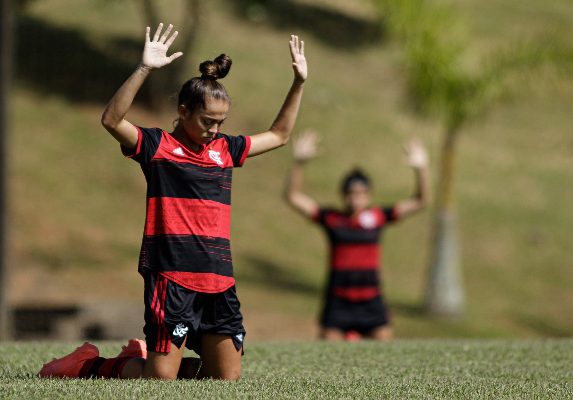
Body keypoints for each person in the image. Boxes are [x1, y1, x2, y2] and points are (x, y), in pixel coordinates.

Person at [38, 23, 307, 380]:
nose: (214, 129)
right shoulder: (157, 146)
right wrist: (144, 68)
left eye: (220, 122)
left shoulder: (226, 150)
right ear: (183, 112)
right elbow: (111, 119)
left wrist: (299, 82)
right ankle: (89, 364)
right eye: (207, 121)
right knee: (160, 380)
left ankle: (148, 356)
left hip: (218, 281)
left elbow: (280, 135)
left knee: (225, 380)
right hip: (172, 277)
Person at [284, 130, 430, 341]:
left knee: (388, 355)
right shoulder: (332, 218)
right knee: (325, 355)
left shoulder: (378, 217)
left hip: (371, 300)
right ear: (343, 195)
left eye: (361, 193)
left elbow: (421, 201)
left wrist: (422, 168)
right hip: (338, 300)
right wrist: (299, 162)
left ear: (368, 195)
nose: (356, 198)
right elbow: (293, 196)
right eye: (351, 193)